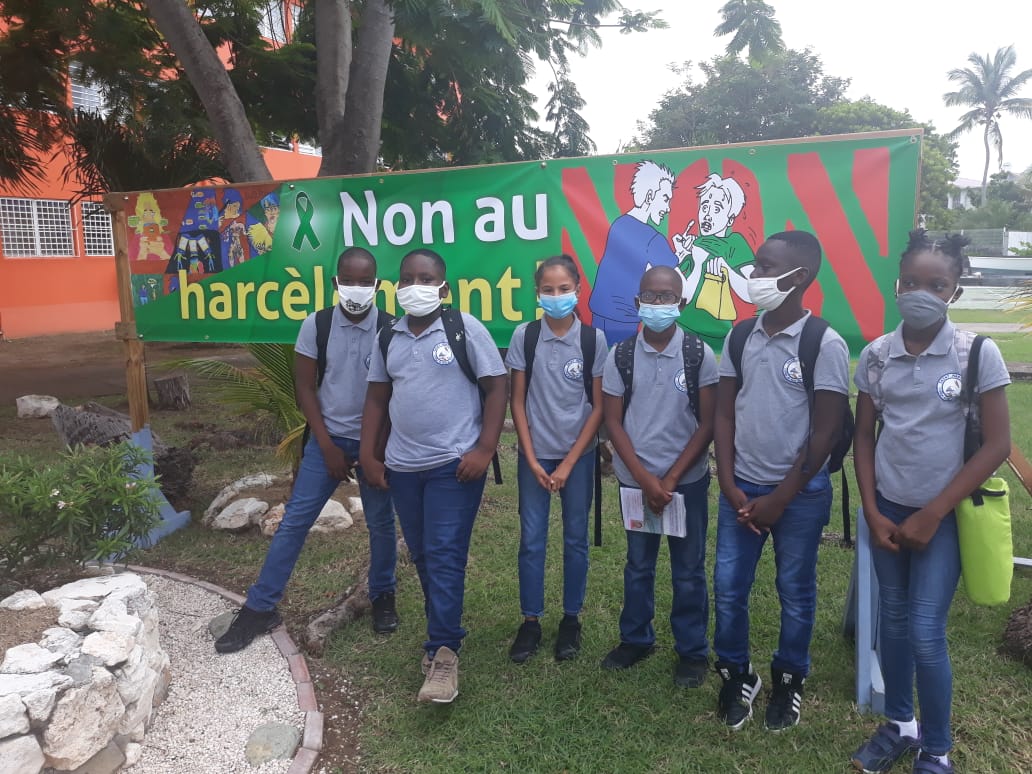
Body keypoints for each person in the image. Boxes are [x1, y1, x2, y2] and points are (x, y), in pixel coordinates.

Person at [850, 231, 1011, 774]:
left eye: (936, 284)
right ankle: (899, 723)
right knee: (891, 625)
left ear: (955, 291)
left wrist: (934, 512)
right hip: (888, 514)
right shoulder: (876, 356)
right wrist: (873, 511)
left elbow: (997, 445)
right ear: (897, 285)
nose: (921, 292)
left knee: (924, 630)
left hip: (939, 520)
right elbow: (863, 438)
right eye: (912, 282)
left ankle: (936, 748)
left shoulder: (975, 355)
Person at [215, 247, 399, 654]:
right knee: (295, 521)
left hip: (376, 442)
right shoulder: (316, 325)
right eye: (349, 280)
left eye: (365, 281)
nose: (357, 288)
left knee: (381, 522)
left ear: (377, 286)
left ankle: (383, 593)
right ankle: (260, 608)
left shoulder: (391, 327)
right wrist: (328, 444)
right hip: (326, 441)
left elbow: (394, 392)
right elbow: (304, 387)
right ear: (335, 283)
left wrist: (373, 450)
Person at [713, 230, 849, 731]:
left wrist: (780, 498)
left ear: (800, 277)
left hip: (801, 495)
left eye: (767, 267)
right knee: (728, 587)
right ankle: (736, 672)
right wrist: (728, 483)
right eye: (755, 264)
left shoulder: (823, 343)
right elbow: (724, 415)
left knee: (795, 588)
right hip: (740, 488)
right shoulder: (740, 335)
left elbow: (826, 432)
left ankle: (789, 677)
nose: (755, 275)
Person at [360, 248, 507, 704]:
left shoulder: (465, 329)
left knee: (444, 554)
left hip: (454, 465)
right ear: (397, 286)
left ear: (443, 287)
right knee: (423, 555)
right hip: (404, 467)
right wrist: (368, 455)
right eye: (408, 279)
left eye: (426, 279)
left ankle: (443, 652)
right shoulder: (389, 336)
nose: (415, 286)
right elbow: (378, 398)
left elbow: (497, 385)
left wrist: (485, 448)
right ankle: (441, 628)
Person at [599, 265, 718, 687]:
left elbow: (707, 424)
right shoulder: (621, 355)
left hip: (685, 483)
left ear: (681, 304)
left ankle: (691, 651)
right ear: (637, 303)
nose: (657, 304)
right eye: (650, 296)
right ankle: (636, 638)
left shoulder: (700, 355)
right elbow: (613, 422)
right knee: (638, 565)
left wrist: (668, 481)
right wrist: (646, 479)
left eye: (667, 297)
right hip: (636, 483)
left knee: (688, 569)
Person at [505, 255, 607, 664]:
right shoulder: (525, 336)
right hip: (535, 456)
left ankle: (570, 619)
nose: (556, 296)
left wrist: (567, 463)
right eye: (548, 290)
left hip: (578, 459)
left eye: (564, 289)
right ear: (537, 293)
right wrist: (531, 460)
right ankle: (530, 621)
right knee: (531, 540)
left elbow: (598, 408)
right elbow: (517, 400)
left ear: (578, 289)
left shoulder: (592, 341)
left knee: (575, 539)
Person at [588, 161, 691, 345]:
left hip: (601, 314)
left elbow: (642, 263)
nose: (668, 208)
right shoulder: (653, 238)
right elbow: (684, 289)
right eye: (666, 198)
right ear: (650, 195)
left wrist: (678, 255)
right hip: (623, 321)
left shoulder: (619, 224)